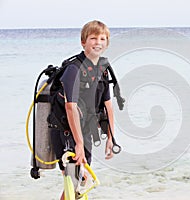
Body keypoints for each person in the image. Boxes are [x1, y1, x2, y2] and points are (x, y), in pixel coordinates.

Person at [50, 20, 115, 199]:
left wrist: (111, 137)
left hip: (83, 131)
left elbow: (108, 105)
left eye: (102, 38)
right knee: (75, 179)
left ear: (107, 43)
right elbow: (70, 107)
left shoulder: (102, 70)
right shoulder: (73, 69)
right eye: (93, 38)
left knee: (77, 182)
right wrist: (78, 143)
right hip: (64, 131)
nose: (98, 42)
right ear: (83, 42)